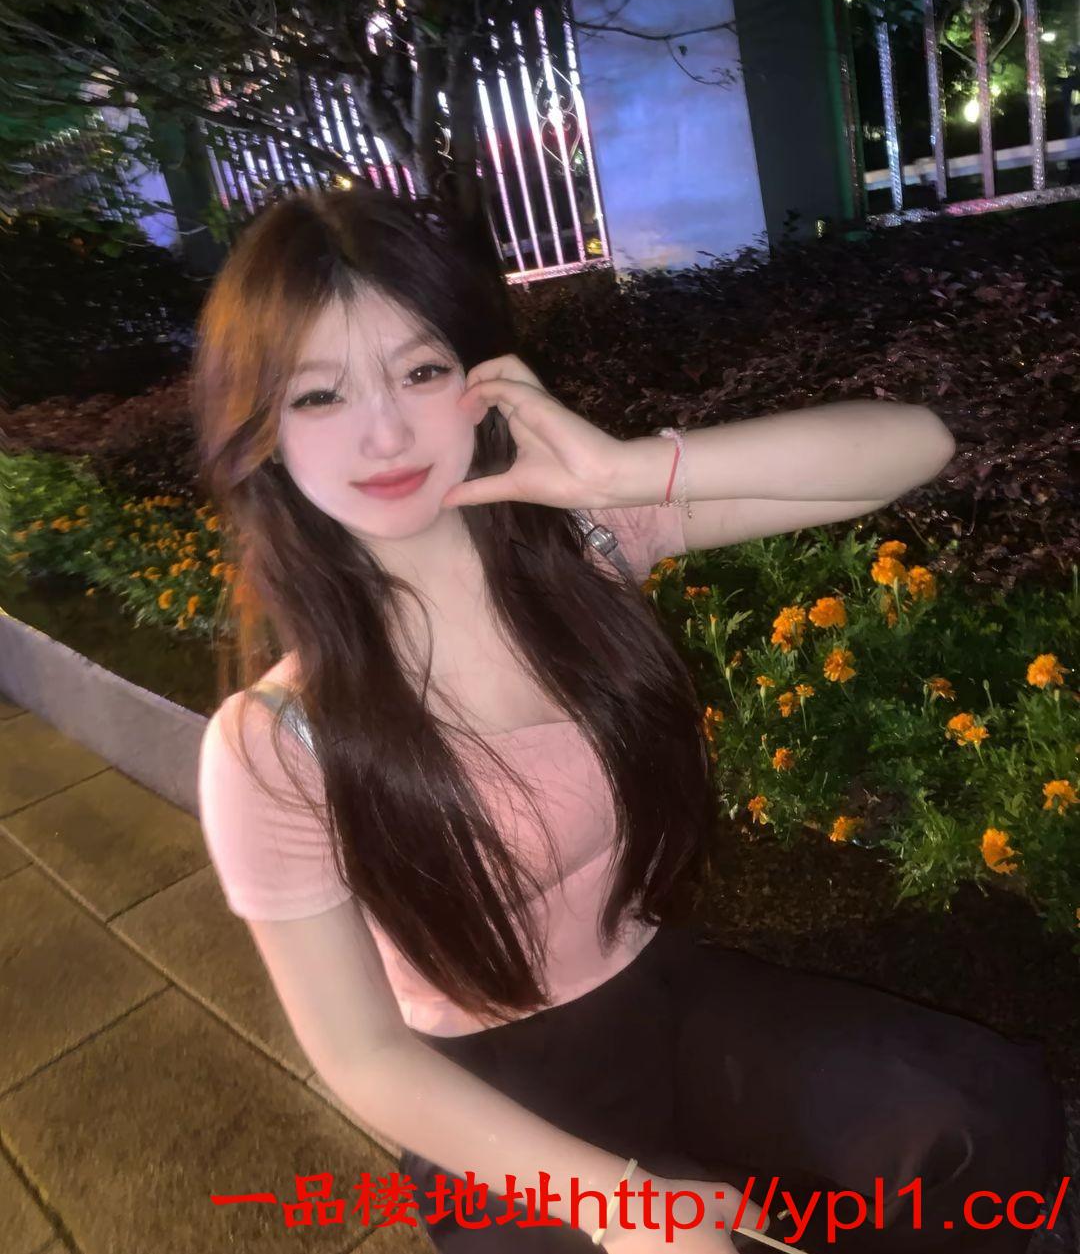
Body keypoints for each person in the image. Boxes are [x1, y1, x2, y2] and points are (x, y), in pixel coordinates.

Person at [194, 184, 1065, 1254]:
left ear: (482, 378)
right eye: (319, 394)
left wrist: (623, 468)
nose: (384, 431)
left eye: (420, 371)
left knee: (977, 1116)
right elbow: (364, 1057)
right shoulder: (276, 743)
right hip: (480, 1102)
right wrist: (627, 1206)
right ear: (262, 428)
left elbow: (913, 445)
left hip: (660, 994)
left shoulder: (588, 549)